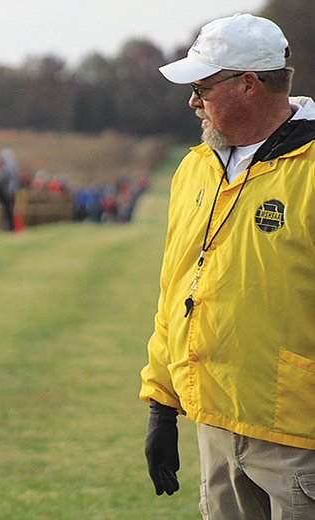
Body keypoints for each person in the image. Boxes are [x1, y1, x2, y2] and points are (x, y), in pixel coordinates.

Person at [139, 13, 315, 519]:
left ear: (248, 84)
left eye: (202, 86)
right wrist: (161, 405)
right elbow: (176, 291)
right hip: (214, 426)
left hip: (297, 440)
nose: (193, 100)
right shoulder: (196, 166)